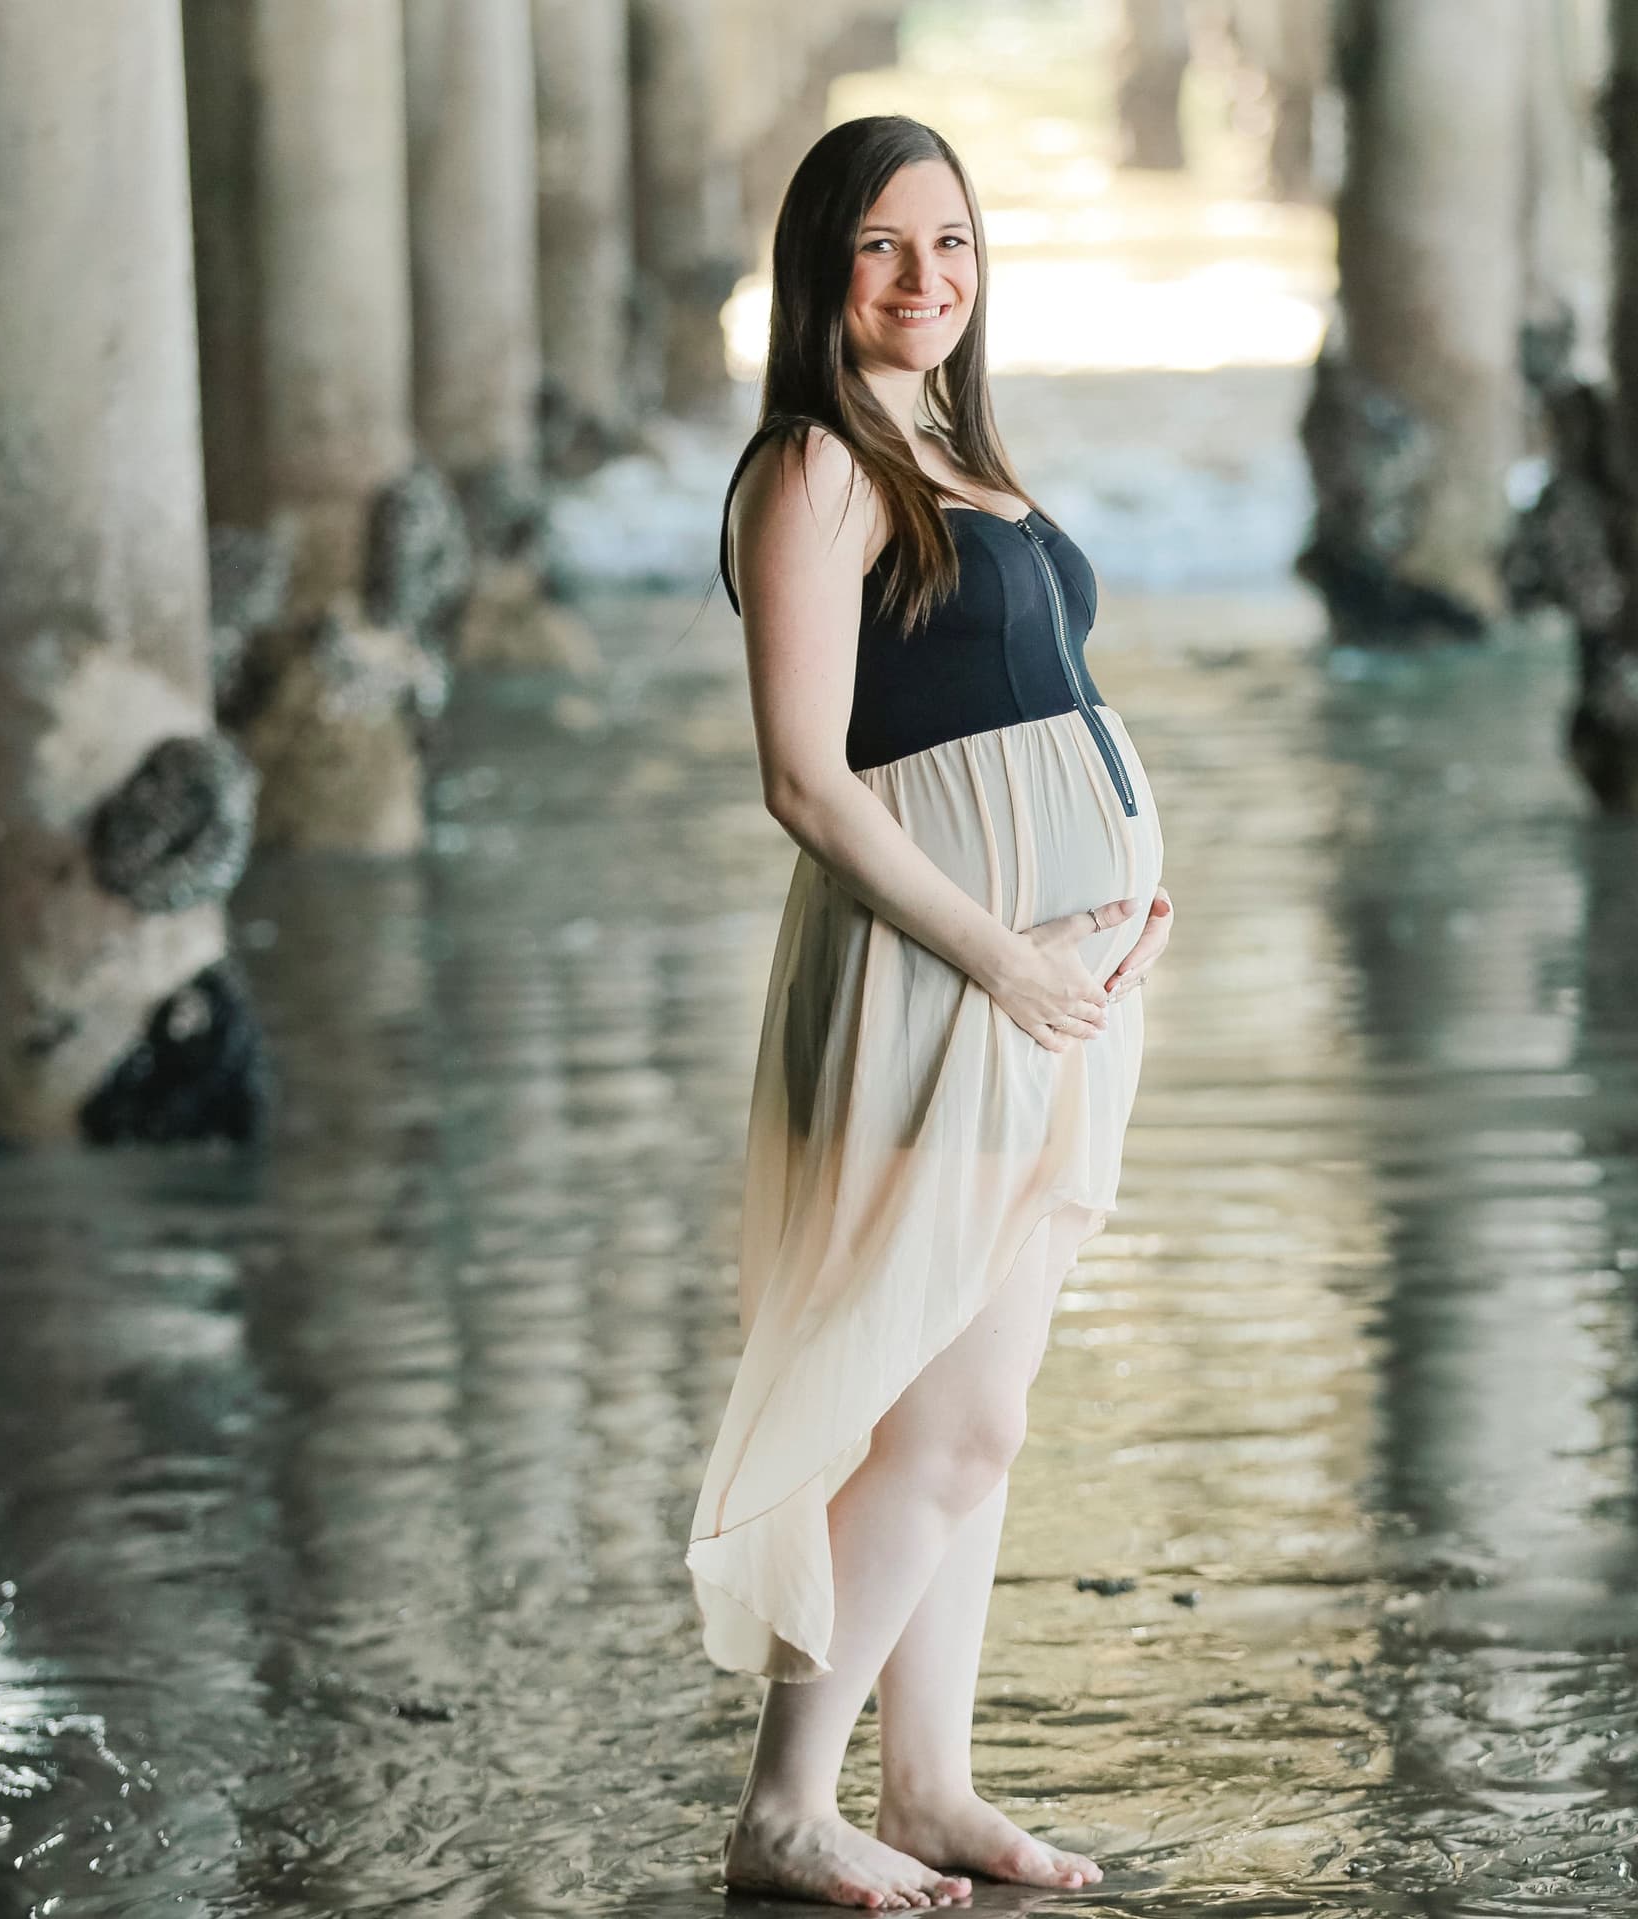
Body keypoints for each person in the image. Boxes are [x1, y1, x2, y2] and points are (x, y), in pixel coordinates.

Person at [688, 113, 1174, 1912]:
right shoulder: (809, 470)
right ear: (822, 271)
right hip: (939, 985)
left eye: (953, 243)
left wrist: (1126, 881)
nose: (926, 280)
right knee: (935, 1410)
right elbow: (808, 783)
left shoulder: (960, 454)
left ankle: (932, 1784)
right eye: (885, 247)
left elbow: (1045, 699)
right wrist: (1010, 951)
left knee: (981, 1411)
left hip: (1050, 990)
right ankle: (786, 1807)